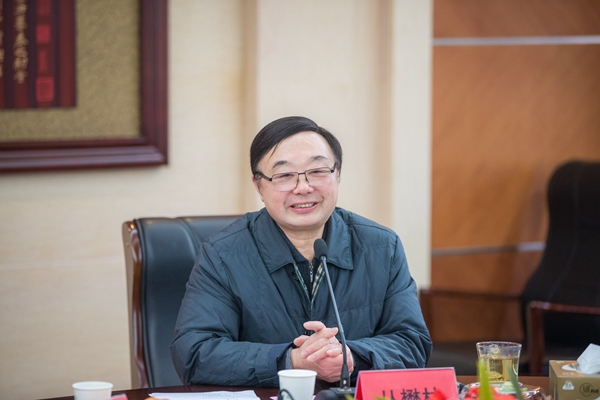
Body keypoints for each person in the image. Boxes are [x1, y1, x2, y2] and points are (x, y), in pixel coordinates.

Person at [170, 116, 432, 387]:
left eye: (318, 171)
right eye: (284, 175)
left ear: (337, 174)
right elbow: (194, 354)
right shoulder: (222, 255)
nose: (304, 187)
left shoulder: (382, 247)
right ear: (259, 186)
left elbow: (413, 343)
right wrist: (293, 360)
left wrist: (351, 357)